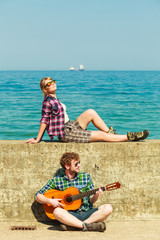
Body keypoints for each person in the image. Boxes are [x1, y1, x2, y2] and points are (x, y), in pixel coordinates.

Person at [26, 77, 149, 144]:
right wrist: (38, 139)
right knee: (101, 135)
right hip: (66, 133)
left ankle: (112, 134)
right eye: (48, 84)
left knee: (90, 112)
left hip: (70, 126)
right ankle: (131, 137)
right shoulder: (47, 102)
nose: (52, 84)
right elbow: (44, 120)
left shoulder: (55, 99)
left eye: (52, 81)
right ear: (45, 90)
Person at [35, 152, 113, 232]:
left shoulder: (86, 177)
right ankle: (87, 226)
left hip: (87, 212)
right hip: (70, 215)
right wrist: (50, 201)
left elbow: (91, 201)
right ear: (67, 166)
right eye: (76, 164)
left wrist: (96, 195)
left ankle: (77, 226)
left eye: (79, 163)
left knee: (108, 208)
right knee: (57, 212)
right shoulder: (56, 180)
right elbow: (38, 196)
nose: (79, 165)